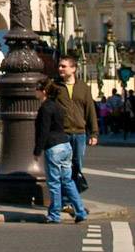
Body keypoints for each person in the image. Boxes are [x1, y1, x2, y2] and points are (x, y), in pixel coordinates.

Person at [36, 76, 87, 224]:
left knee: (54, 183)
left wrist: (37, 149)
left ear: (43, 91)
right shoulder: (57, 106)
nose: (35, 92)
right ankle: (80, 211)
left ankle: (54, 214)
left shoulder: (45, 108)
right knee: (68, 181)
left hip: (54, 147)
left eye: (37, 89)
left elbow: (44, 130)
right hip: (65, 145)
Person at [52, 54, 98, 194]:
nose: (60, 68)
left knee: (77, 166)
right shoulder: (54, 86)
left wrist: (94, 133)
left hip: (79, 133)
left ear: (73, 69)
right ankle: (65, 199)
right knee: (62, 167)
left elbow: (90, 110)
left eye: (64, 66)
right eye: (60, 66)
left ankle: (74, 197)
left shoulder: (83, 87)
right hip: (62, 133)